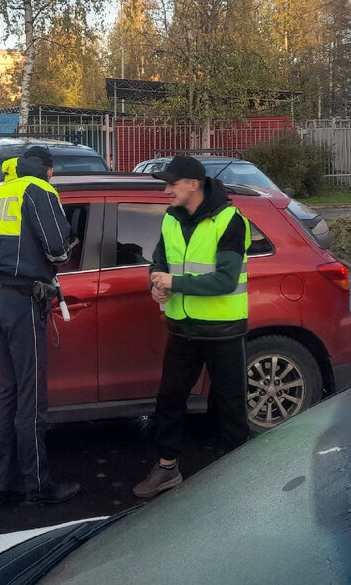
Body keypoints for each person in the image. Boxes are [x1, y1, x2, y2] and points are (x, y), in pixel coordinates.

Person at [134, 154, 251, 500]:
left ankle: (238, 475)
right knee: (169, 400)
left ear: (193, 185)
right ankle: (167, 468)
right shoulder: (171, 218)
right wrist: (155, 281)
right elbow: (159, 260)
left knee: (230, 406)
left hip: (222, 330)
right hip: (182, 327)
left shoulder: (230, 221)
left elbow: (226, 280)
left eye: (172, 183)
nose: (167, 190)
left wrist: (174, 282)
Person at [0, 145, 80, 510]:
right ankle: (37, 486)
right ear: (48, 169)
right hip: (23, 300)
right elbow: (57, 249)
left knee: (6, 395)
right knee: (32, 397)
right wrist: (67, 248)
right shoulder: (39, 189)